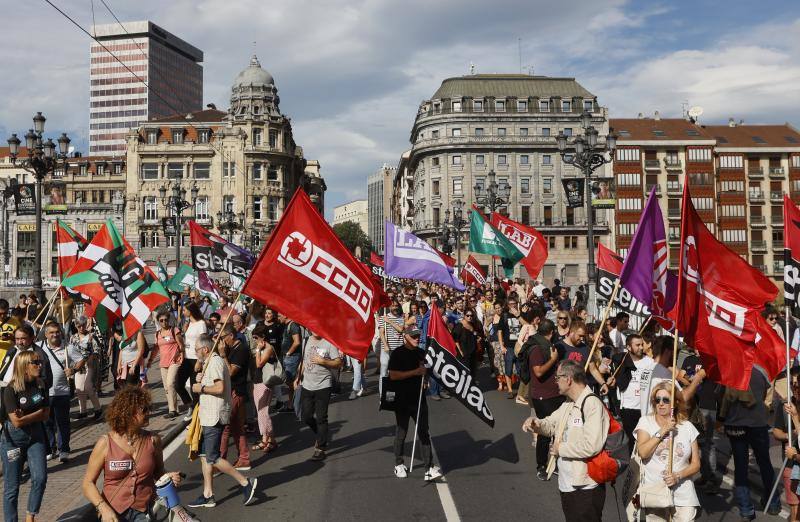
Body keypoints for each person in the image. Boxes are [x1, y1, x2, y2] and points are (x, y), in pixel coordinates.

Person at [523, 360, 609, 521]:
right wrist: (537, 424)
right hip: (568, 483)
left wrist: (560, 449)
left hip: (586, 486)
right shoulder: (569, 403)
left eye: (557, 378)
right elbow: (551, 424)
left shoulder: (592, 404)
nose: (555, 382)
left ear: (568, 379)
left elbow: (592, 445)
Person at [187, 334, 257, 508]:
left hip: (214, 416)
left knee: (213, 457)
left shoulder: (216, 362)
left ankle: (245, 482)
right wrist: (200, 380)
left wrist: (201, 387)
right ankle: (208, 494)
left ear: (205, 349)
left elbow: (220, 388)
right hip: (207, 415)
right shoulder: (208, 362)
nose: (195, 353)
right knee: (204, 457)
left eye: (196, 350)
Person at [632, 381, 701, 521]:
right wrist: (662, 431)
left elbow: (696, 465)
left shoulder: (687, 427)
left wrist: (678, 476)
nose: (661, 403)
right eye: (657, 400)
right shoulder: (645, 422)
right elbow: (643, 452)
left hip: (683, 493)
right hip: (655, 492)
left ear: (675, 402)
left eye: (665, 400)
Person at [722, 364, 781, 518]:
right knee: (765, 463)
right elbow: (763, 396)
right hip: (758, 423)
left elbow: (723, 397)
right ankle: (773, 503)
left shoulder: (731, 371)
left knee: (741, 466)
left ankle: (746, 508)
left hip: (736, 423)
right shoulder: (761, 372)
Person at [388, 326, 443, 482]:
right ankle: (399, 464)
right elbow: (393, 375)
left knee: (424, 432)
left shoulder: (421, 353)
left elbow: (424, 371)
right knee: (401, 432)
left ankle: (429, 467)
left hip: (419, 399)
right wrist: (414, 373)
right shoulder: (398, 353)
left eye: (418, 336)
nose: (417, 338)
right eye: (413, 336)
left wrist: (424, 380)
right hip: (402, 400)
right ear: (405, 337)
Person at [2, 350, 50, 522]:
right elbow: (16, 422)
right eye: (35, 363)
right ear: (24, 366)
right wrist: (35, 414)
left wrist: (27, 417)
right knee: (12, 487)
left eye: (40, 362)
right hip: (13, 440)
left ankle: (30, 516)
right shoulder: (11, 389)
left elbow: (46, 414)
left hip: (35, 435)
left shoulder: (41, 384)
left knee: (40, 477)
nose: (39, 365)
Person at [296, 330, 342, 461]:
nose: (315, 330)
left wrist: (323, 361)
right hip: (307, 385)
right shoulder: (306, 340)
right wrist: (297, 378)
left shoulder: (329, 342)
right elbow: (304, 361)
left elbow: (338, 363)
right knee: (306, 417)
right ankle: (321, 435)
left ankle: (320, 448)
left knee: (321, 417)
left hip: (323, 385)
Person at [527, 318, 563, 480]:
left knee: (559, 431)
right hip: (542, 396)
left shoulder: (550, 346)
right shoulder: (536, 349)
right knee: (544, 431)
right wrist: (553, 360)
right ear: (551, 332)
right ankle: (541, 465)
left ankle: (556, 464)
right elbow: (539, 372)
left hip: (556, 394)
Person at [38, 321, 80, 463]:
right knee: (47, 423)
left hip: (62, 392)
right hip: (44, 393)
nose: (55, 334)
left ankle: (64, 450)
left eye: (57, 332)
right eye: (51, 332)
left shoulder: (68, 347)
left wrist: (73, 369)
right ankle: (51, 448)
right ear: (46, 334)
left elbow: (81, 360)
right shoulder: (39, 347)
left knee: (62, 422)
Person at [609, 334, 654, 453]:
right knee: (630, 440)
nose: (641, 348)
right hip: (628, 407)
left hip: (644, 407)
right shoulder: (621, 361)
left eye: (642, 345)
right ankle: (631, 466)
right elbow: (613, 377)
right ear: (629, 347)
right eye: (637, 345)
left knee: (644, 438)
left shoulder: (649, 362)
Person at [218, 323, 251, 470]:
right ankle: (244, 458)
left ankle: (220, 462)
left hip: (236, 391)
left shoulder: (241, 350)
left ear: (231, 335)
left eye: (223, 337)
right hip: (233, 391)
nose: (222, 341)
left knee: (225, 426)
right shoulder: (232, 349)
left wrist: (224, 356)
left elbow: (231, 372)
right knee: (237, 427)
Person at [155, 310, 188, 419]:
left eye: (166, 320)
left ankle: (173, 410)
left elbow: (181, 345)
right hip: (163, 363)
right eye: (161, 320)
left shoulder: (174, 330)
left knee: (170, 383)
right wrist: (150, 360)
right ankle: (174, 409)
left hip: (174, 361)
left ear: (169, 320)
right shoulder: (157, 334)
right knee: (166, 388)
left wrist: (181, 355)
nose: (164, 322)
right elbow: (156, 348)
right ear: (158, 322)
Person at [176, 303, 207, 420]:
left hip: (196, 359)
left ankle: (196, 415)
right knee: (178, 384)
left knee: (194, 389)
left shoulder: (201, 324)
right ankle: (190, 405)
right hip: (187, 358)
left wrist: (200, 360)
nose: (183, 312)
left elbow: (203, 342)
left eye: (184, 310)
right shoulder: (188, 323)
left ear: (191, 310)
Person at [251, 325, 278, 453]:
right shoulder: (263, 347)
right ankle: (265, 439)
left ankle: (272, 439)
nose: (255, 340)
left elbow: (259, 364)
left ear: (263, 337)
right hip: (257, 381)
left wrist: (257, 350)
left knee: (263, 412)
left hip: (264, 383)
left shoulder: (268, 348)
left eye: (256, 337)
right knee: (260, 412)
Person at [69, 315, 102, 420]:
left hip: (89, 366)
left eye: (83, 326)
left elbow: (97, 351)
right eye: (79, 326)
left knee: (89, 388)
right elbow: (70, 351)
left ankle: (98, 409)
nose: (81, 328)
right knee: (79, 390)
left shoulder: (92, 336)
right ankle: (83, 411)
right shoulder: (73, 337)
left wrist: (92, 357)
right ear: (76, 326)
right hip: (78, 367)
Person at [378, 304, 405, 396]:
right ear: (390, 307)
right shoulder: (383, 317)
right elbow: (381, 333)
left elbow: (400, 330)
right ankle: (382, 395)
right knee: (384, 372)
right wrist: (385, 345)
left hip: (398, 349)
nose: (395, 308)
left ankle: (394, 394)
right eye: (393, 306)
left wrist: (389, 321)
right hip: (386, 350)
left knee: (396, 373)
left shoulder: (401, 317)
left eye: (396, 306)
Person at [279, 313, 303, 411]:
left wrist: (288, 353)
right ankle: (292, 403)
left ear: (285, 315)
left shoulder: (293, 325)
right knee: (290, 382)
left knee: (292, 382)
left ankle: (293, 405)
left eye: (279, 315)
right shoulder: (287, 325)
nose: (278, 317)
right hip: (288, 357)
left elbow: (297, 341)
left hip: (292, 357)